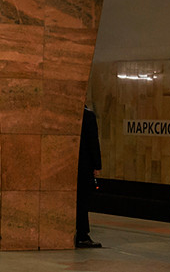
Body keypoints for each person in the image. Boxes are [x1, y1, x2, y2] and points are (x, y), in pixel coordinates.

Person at [75, 105, 103, 248]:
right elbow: (93, 141)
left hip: (65, 166)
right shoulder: (88, 116)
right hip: (84, 166)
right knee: (82, 201)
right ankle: (82, 235)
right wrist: (97, 165)